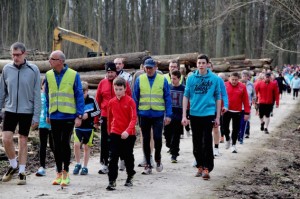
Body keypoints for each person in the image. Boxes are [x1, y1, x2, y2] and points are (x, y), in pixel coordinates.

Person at [0, 42, 41, 185]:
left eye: (18, 55)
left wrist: (36, 115)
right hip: (10, 109)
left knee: (23, 139)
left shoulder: (33, 69)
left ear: (24, 54)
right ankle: (13, 165)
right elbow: (2, 92)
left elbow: (37, 94)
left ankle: (22, 172)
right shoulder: (7, 69)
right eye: (13, 55)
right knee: (6, 138)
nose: (15, 57)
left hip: (26, 110)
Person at [45, 50, 85, 186]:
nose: (49, 61)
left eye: (52, 59)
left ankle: (66, 172)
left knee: (64, 143)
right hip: (54, 115)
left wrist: (79, 115)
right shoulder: (48, 75)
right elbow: (47, 96)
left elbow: (79, 95)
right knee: (56, 145)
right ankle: (58, 173)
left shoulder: (73, 75)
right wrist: (47, 114)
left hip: (68, 115)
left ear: (60, 61)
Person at [182, 54, 221, 180]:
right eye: (199, 63)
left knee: (207, 141)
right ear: (196, 64)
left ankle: (206, 168)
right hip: (194, 114)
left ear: (208, 64)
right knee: (196, 142)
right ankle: (199, 165)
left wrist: (218, 117)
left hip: (208, 113)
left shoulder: (214, 78)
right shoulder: (191, 78)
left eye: (203, 63)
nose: (201, 65)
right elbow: (186, 96)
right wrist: (184, 115)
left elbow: (218, 98)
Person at [133, 58, 172, 175]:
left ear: (155, 68)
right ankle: (148, 164)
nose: (149, 70)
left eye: (151, 68)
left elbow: (167, 98)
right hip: (143, 114)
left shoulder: (162, 80)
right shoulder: (140, 79)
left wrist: (168, 115)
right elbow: (135, 98)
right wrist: (134, 114)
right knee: (145, 139)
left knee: (157, 138)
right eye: (147, 68)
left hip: (158, 114)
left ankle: (158, 158)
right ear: (144, 68)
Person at [94, 62, 131, 174]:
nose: (110, 74)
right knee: (105, 141)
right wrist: (96, 119)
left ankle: (122, 159)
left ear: (116, 72)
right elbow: (97, 101)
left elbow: (129, 98)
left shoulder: (122, 83)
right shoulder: (102, 83)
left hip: (119, 116)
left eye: (112, 72)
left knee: (120, 139)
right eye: (108, 72)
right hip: (105, 116)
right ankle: (105, 163)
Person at [106, 77, 137, 191]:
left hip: (129, 134)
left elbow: (134, 119)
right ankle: (112, 181)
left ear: (125, 89)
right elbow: (110, 119)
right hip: (115, 133)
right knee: (113, 157)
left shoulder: (130, 102)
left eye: (120, 89)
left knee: (128, 156)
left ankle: (130, 175)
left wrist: (127, 131)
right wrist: (110, 131)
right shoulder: (111, 102)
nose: (118, 91)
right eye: (116, 89)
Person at [73, 81, 100, 175]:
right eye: (80, 92)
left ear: (87, 91)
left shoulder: (92, 100)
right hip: (78, 127)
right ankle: (77, 163)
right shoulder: (76, 99)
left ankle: (85, 166)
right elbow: (72, 111)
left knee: (86, 147)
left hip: (89, 127)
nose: (82, 94)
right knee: (76, 144)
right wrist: (77, 117)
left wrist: (88, 115)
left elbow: (98, 111)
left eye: (84, 93)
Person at [223, 72, 250, 153]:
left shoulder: (242, 86)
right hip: (226, 110)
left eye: (236, 80)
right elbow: (220, 97)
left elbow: (246, 100)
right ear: (229, 79)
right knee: (225, 128)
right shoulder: (224, 85)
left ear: (239, 79)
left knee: (236, 129)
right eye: (232, 80)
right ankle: (227, 138)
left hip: (237, 111)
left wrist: (246, 112)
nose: (234, 81)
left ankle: (233, 145)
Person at [163, 70, 185, 163]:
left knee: (176, 136)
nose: (172, 80)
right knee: (167, 135)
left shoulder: (183, 88)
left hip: (178, 116)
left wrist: (185, 115)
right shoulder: (167, 86)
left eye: (174, 78)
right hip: (168, 115)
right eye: (171, 78)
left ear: (179, 79)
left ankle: (174, 154)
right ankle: (169, 146)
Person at [207, 62, 228, 156]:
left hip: (215, 108)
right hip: (204, 109)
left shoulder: (218, 79)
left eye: (209, 67)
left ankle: (216, 148)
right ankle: (205, 150)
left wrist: (226, 105)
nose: (207, 69)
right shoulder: (199, 79)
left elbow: (224, 94)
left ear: (212, 68)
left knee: (215, 129)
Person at [36, 78, 54, 177]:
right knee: (42, 145)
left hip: (52, 124)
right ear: (41, 86)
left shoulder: (52, 96)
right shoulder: (38, 97)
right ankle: (42, 167)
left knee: (53, 144)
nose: (46, 86)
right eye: (45, 84)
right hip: (42, 124)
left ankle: (58, 164)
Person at [239, 70, 256, 142]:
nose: (245, 77)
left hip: (247, 105)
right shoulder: (238, 83)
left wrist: (254, 100)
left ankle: (244, 134)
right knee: (239, 121)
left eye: (246, 76)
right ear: (241, 77)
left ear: (248, 77)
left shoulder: (251, 84)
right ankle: (239, 133)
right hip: (239, 105)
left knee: (246, 120)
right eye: (243, 76)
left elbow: (254, 94)